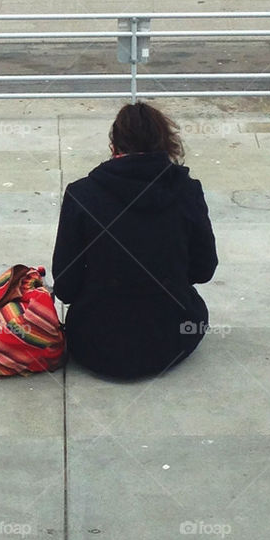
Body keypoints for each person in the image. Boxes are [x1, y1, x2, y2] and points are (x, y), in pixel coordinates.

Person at [51, 101, 218, 380]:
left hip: (95, 344)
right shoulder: (187, 191)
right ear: (166, 143)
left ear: (114, 146)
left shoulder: (82, 194)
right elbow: (204, 269)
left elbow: (66, 286)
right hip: (173, 339)